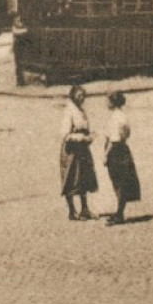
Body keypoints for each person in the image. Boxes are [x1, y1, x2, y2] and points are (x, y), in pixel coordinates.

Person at [102, 92, 143, 225]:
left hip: (116, 151)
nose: (106, 103)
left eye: (108, 101)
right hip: (124, 150)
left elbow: (114, 140)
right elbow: (126, 134)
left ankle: (119, 214)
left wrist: (105, 155)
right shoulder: (123, 116)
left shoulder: (115, 118)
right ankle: (119, 212)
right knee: (123, 181)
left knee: (118, 182)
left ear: (113, 102)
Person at [59, 85, 98, 220]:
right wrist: (81, 138)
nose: (82, 98)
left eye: (83, 95)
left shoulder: (81, 110)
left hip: (82, 149)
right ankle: (72, 211)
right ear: (73, 95)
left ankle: (84, 209)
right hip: (71, 151)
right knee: (70, 179)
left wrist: (90, 136)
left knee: (84, 178)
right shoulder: (69, 111)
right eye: (79, 95)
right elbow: (65, 134)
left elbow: (85, 128)